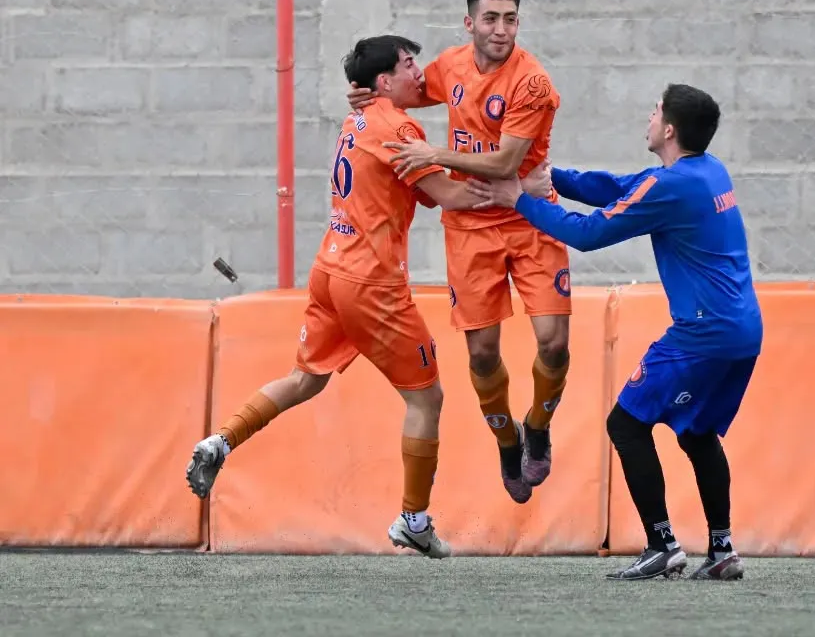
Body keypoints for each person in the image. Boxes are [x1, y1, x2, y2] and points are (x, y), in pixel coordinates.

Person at [184, 35, 551, 559]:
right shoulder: (399, 128)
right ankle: (414, 520)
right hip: (372, 283)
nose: (419, 73)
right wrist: (516, 190)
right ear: (384, 81)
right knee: (426, 398)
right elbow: (449, 195)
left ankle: (219, 441)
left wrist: (442, 171)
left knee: (304, 379)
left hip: (330, 268)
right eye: (408, 64)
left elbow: (422, 189)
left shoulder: (357, 120)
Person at [466, 83, 763, 581]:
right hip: (743, 332)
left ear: (669, 130)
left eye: (655, 111)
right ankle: (722, 549)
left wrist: (519, 199)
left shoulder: (670, 186)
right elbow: (621, 186)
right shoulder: (708, 171)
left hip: (703, 335)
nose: (648, 117)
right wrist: (553, 179)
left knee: (625, 425)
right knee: (697, 434)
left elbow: (587, 234)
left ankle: (662, 544)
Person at [346, 0, 571, 505]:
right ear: (470, 23)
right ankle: (508, 442)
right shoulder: (450, 66)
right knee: (483, 354)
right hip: (470, 227)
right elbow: (405, 90)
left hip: (530, 216)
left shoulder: (532, 82)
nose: (501, 29)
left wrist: (435, 155)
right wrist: (368, 93)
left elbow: (506, 163)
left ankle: (538, 426)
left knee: (554, 343)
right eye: (491, 18)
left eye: (510, 19)